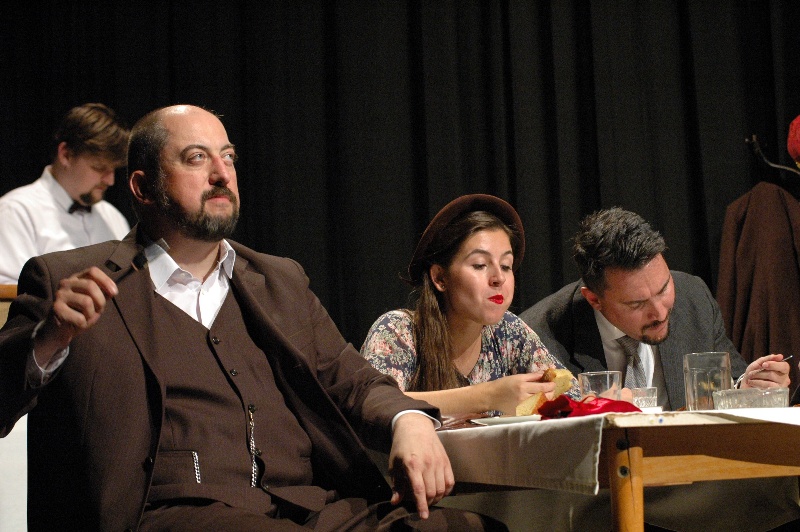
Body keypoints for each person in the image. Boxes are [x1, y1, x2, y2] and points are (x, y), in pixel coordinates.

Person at [0, 105, 505, 531]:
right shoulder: (66, 278)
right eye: (196, 158)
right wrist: (50, 340)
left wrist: (409, 420)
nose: (222, 174)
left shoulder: (279, 280)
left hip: (313, 508)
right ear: (143, 186)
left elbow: (353, 381)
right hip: (170, 514)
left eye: (228, 157)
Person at [520, 207, 790, 410]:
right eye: (636, 304)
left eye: (663, 289)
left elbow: (732, 382)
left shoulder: (694, 298)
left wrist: (750, 387)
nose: (660, 313)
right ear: (594, 300)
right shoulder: (538, 338)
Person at [361, 194, 579, 416]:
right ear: (440, 278)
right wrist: (488, 396)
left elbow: (573, 396)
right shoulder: (398, 330)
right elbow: (376, 402)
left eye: (506, 266)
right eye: (480, 265)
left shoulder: (508, 331)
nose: (498, 278)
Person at [0, 103, 131, 284]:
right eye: (99, 168)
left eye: (113, 169)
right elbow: (7, 294)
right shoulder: (16, 212)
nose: (110, 181)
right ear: (66, 155)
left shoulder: (113, 217)